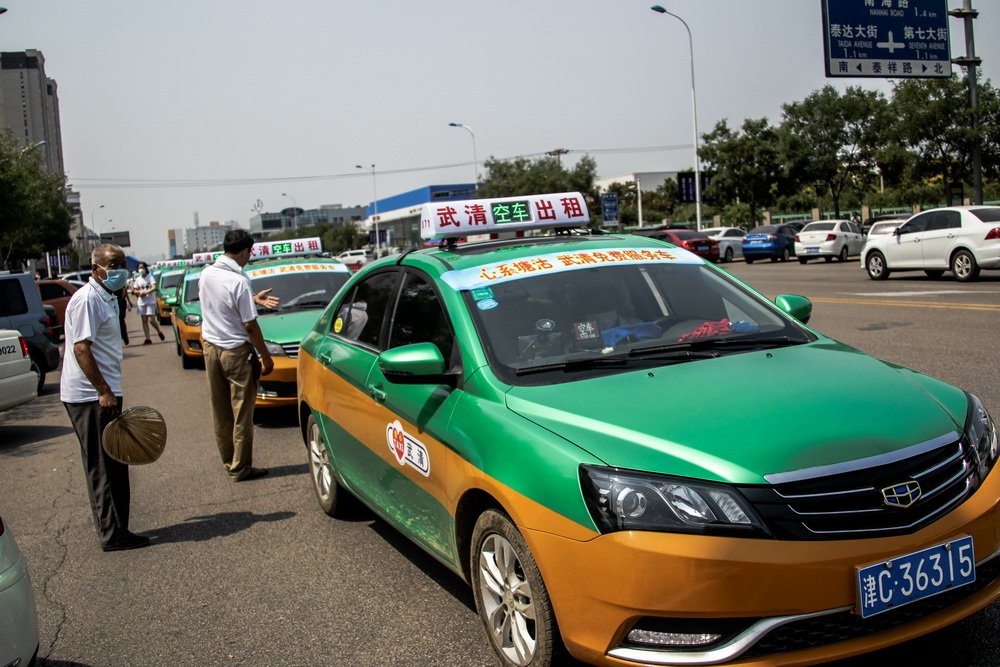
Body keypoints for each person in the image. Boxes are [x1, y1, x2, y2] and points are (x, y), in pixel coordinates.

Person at [60, 244, 150, 551]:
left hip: (104, 392)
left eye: (123, 263)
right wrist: (103, 391)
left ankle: (118, 528)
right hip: (90, 396)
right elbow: (81, 349)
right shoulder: (86, 300)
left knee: (115, 460)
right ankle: (112, 535)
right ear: (96, 267)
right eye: (114, 264)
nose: (121, 269)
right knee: (102, 466)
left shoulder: (110, 296)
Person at [199, 230, 279, 482]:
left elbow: (221, 303)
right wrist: (266, 357)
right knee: (242, 414)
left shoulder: (207, 274)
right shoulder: (239, 281)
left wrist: (252, 299)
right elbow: (250, 326)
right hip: (236, 353)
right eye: (250, 252)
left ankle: (229, 461)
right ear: (244, 251)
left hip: (211, 350)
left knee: (221, 412)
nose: (249, 257)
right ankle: (241, 468)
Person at [131, 262, 164, 345]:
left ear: (145, 268)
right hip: (141, 302)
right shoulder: (138, 279)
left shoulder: (150, 277)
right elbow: (134, 290)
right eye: (139, 268)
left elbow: (154, 287)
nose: (141, 269)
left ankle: (159, 331)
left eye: (142, 267)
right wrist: (138, 292)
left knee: (151, 319)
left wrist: (146, 292)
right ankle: (147, 338)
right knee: (144, 320)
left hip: (150, 301)